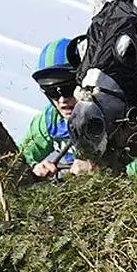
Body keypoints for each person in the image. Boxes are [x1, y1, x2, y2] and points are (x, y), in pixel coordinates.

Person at [21, 37, 92, 178]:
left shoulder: (114, 114)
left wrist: (98, 169)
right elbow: (19, 157)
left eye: (68, 89)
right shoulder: (50, 120)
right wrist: (34, 167)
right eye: (51, 91)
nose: (62, 100)